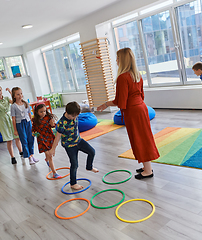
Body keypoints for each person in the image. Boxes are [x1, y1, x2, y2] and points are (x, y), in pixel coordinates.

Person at [97, 48, 159, 179]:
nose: (116, 60)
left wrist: (106, 104)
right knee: (143, 137)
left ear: (123, 60)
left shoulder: (122, 77)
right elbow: (141, 95)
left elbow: (121, 101)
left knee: (139, 139)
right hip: (141, 108)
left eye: (118, 58)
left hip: (133, 111)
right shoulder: (137, 75)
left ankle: (148, 171)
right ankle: (145, 166)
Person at [51, 102, 99, 190]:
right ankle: (73, 183)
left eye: (76, 116)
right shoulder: (62, 122)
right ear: (67, 113)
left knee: (92, 151)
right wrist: (53, 149)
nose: (75, 118)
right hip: (69, 146)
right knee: (74, 164)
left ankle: (89, 167)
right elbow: (57, 136)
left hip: (78, 141)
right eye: (73, 116)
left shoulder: (75, 115)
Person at [0, 84, 23, 164]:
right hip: (3, 120)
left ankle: (21, 152)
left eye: (0, 90)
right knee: (9, 140)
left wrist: (10, 92)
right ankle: (12, 157)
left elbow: (14, 102)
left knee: (17, 137)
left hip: (11, 118)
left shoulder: (6, 98)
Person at [32, 103, 62, 178]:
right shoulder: (35, 120)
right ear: (37, 112)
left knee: (49, 153)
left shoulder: (48, 117)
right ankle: (54, 173)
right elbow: (33, 131)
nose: (43, 113)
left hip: (49, 137)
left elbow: (53, 126)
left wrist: (52, 124)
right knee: (50, 155)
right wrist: (34, 134)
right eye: (41, 112)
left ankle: (47, 160)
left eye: (44, 111)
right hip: (41, 139)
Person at [11, 87, 38, 165]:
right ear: (14, 96)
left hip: (28, 123)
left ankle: (32, 155)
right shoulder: (13, 106)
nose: (20, 95)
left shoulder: (26, 103)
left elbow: (30, 113)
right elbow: (13, 118)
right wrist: (15, 130)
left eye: (21, 93)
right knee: (24, 140)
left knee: (31, 139)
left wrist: (32, 123)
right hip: (20, 124)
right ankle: (29, 157)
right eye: (18, 94)